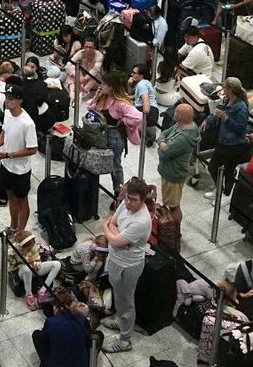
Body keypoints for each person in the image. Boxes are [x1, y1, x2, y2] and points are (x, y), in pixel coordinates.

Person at [100, 178, 154, 354]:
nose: (129, 202)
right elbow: (113, 223)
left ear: (143, 199)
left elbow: (114, 236)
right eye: (128, 197)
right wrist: (115, 235)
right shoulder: (125, 204)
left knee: (126, 301)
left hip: (128, 266)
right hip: (116, 259)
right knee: (118, 294)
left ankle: (125, 340)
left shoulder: (141, 221)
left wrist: (108, 230)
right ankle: (120, 318)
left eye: (134, 200)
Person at [0, 83, 38, 234]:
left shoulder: (27, 124)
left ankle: (21, 231)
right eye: (6, 97)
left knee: (22, 201)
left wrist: (9, 154)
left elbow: (32, 149)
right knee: (10, 196)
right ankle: (13, 226)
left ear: (19, 100)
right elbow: (4, 131)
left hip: (20, 170)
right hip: (6, 165)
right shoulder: (8, 113)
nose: (7, 101)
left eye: (11, 99)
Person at [201, 77, 251, 200]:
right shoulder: (227, 100)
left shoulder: (241, 108)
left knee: (228, 171)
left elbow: (240, 129)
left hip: (233, 146)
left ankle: (225, 194)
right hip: (222, 141)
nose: (222, 89)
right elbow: (218, 112)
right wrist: (208, 120)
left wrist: (226, 119)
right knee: (213, 167)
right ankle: (219, 189)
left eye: (225, 87)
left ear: (230, 90)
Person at [156, 102, 200, 213]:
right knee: (169, 203)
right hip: (169, 172)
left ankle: (174, 228)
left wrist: (161, 144)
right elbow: (165, 133)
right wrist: (163, 143)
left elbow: (163, 154)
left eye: (176, 112)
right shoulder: (180, 124)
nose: (173, 112)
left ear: (179, 116)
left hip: (173, 175)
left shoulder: (183, 138)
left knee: (173, 206)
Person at [32, 288, 92, 367]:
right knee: (96, 337)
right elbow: (89, 341)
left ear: (57, 307)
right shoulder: (82, 320)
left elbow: (44, 340)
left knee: (36, 335)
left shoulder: (51, 322)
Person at [11, 228, 63, 310]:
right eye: (28, 248)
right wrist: (26, 262)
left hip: (34, 268)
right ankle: (29, 294)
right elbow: (11, 267)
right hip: (22, 271)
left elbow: (37, 258)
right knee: (27, 269)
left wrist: (37, 264)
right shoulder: (12, 251)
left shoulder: (33, 246)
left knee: (57, 264)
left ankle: (42, 291)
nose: (30, 249)